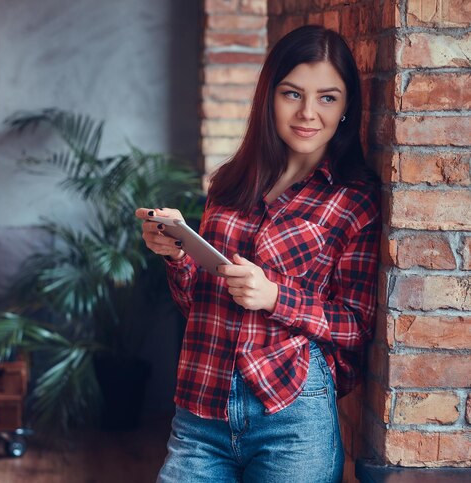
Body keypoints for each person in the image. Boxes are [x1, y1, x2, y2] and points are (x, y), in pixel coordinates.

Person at [136, 24, 381, 483]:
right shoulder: (230, 183)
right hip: (200, 411)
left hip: (291, 415)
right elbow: (196, 306)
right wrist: (177, 255)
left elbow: (356, 324)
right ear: (270, 96)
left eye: (328, 98)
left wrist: (274, 297)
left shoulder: (354, 199)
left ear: (347, 106)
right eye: (293, 94)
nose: (308, 113)